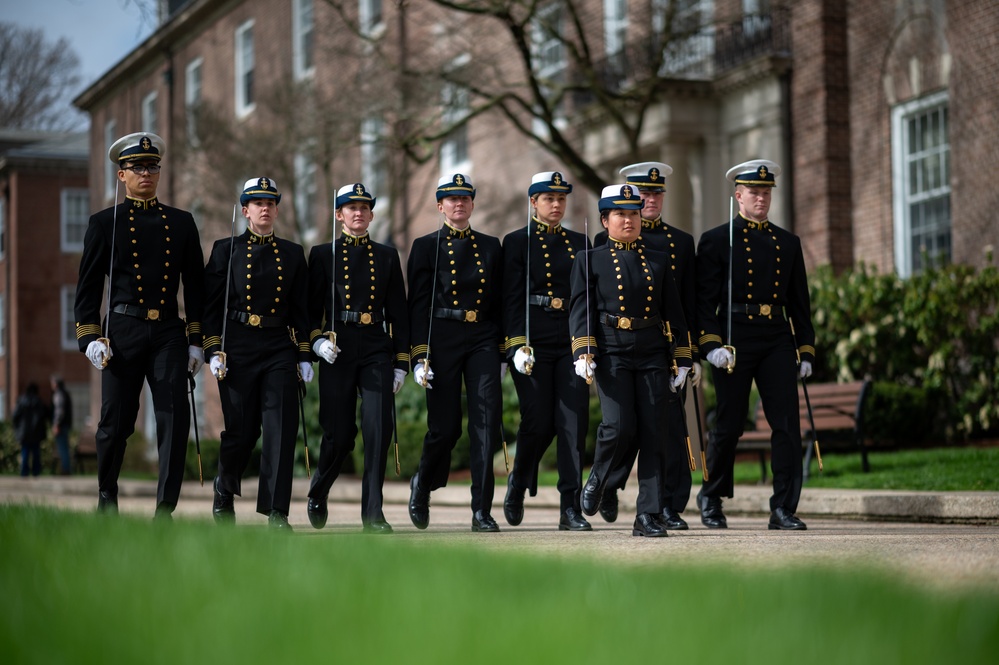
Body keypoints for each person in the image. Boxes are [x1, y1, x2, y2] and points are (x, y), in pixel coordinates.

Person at [74, 132, 205, 517]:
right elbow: (88, 288)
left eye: (152, 166)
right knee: (115, 422)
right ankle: (106, 494)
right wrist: (90, 336)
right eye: (137, 167)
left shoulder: (181, 224)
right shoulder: (105, 223)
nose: (146, 173)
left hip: (167, 331)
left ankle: (165, 509)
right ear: (121, 175)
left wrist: (196, 341)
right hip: (123, 331)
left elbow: (195, 289)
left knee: (174, 416)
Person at [695, 159, 815, 531]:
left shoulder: (787, 243)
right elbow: (703, 301)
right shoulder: (717, 240)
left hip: (776, 336)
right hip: (735, 338)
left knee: (786, 425)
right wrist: (711, 345)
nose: (761, 198)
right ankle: (711, 496)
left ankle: (783, 507)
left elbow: (799, 302)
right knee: (729, 424)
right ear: (739, 195)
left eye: (766, 192)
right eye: (754, 192)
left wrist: (805, 349)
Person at [570, 184, 692, 537]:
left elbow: (675, 313)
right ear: (605, 221)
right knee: (620, 425)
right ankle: (599, 477)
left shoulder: (658, 258)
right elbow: (582, 310)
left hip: (652, 350)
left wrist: (682, 358)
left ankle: (647, 515)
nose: (629, 220)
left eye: (634, 213)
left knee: (655, 432)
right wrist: (583, 350)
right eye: (620, 214)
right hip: (611, 350)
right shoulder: (588, 259)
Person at [204, 177, 312, 530]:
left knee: (281, 428)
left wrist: (304, 354)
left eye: (271, 202)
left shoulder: (293, 254)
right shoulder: (226, 250)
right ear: (245, 210)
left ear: (277, 209)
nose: (265, 208)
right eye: (257, 202)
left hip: (278, 344)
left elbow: (302, 309)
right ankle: (225, 486)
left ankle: (277, 511)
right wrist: (213, 348)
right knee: (242, 430)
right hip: (237, 344)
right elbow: (211, 306)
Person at [305, 183, 409, 534]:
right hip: (339, 348)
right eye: (351, 208)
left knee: (379, 428)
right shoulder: (322, 254)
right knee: (340, 435)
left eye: (365, 207)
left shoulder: (387, 256)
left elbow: (399, 313)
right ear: (339, 215)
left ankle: (373, 514)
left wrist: (401, 362)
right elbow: (308, 312)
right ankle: (319, 489)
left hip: (376, 345)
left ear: (371, 214)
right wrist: (316, 343)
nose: (359, 213)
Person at [407, 173, 505, 532]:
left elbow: (499, 302)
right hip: (442, 335)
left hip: (481, 336)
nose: (459, 204)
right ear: (440, 205)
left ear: (472, 204)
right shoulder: (425, 246)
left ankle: (481, 510)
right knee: (444, 429)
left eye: (465, 198)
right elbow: (417, 306)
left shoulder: (491, 246)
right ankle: (423, 483)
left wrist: (504, 351)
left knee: (486, 424)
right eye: (452, 199)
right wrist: (419, 355)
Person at [501, 171, 592, 531]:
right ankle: (519, 481)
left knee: (572, 423)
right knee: (537, 420)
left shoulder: (580, 241)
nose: (556, 204)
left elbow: (586, 298)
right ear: (533, 203)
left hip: (569, 337)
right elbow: (510, 299)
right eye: (548, 198)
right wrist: (515, 345)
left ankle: (569, 507)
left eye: (561, 198)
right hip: (533, 340)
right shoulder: (517, 241)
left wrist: (587, 345)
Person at [12, 383, 49, 477]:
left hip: (24, 432)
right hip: (36, 432)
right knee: (36, 453)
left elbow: (15, 416)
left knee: (25, 452)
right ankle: (36, 472)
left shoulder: (21, 401)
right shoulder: (38, 401)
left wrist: (17, 428)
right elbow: (45, 415)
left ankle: (24, 472)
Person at [50, 375, 73, 475]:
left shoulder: (59, 394)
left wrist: (56, 424)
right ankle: (66, 468)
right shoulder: (66, 394)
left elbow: (59, 411)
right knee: (65, 448)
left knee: (62, 448)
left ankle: (65, 469)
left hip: (61, 425)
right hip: (66, 424)